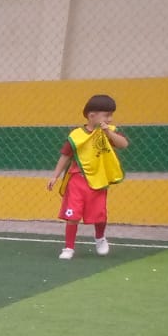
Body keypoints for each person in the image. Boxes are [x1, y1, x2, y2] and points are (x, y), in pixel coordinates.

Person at [48, 93, 128, 261]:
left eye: (111, 115)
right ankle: (69, 247)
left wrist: (107, 131)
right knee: (73, 216)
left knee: (100, 215)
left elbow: (123, 144)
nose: (110, 119)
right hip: (77, 181)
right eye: (107, 115)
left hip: (98, 181)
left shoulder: (108, 131)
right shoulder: (77, 135)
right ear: (92, 115)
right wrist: (55, 176)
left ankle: (100, 238)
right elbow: (65, 155)